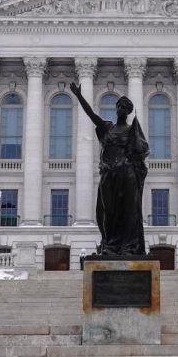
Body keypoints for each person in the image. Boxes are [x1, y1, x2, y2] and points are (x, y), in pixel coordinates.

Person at [71, 80, 148, 255]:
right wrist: (79, 96)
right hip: (109, 174)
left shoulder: (132, 131)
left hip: (127, 174)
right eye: (119, 105)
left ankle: (129, 246)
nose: (120, 108)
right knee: (108, 210)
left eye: (124, 106)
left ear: (128, 111)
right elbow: (91, 115)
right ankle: (110, 245)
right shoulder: (107, 127)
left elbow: (142, 150)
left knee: (128, 210)